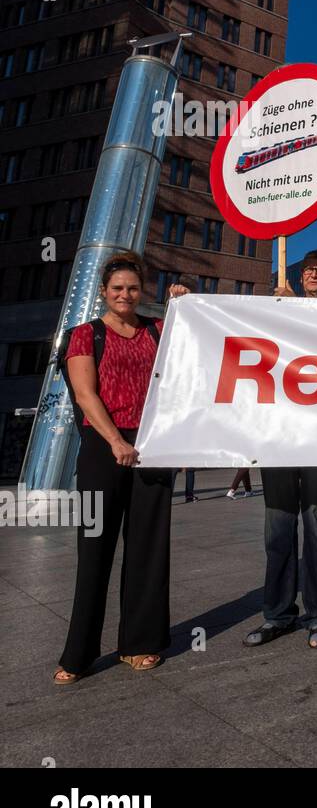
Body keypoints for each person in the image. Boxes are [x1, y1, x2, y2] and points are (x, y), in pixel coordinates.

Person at [54, 252, 188, 683]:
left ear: (141, 290)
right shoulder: (85, 335)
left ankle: (141, 643)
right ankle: (79, 654)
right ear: (103, 293)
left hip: (151, 448)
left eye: (132, 288)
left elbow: (190, 351)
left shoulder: (157, 329)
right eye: (117, 289)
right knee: (93, 549)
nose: (125, 295)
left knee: (149, 548)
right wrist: (116, 442)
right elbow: (85, 395)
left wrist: (181, 306)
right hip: (101, 448)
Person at [242, 251, 317, 650]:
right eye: (307, 270)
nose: (313, 274)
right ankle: (278, 614)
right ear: (300, 277)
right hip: (279, 437)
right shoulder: (275, 311)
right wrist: (278, 309)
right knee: (278, 530)